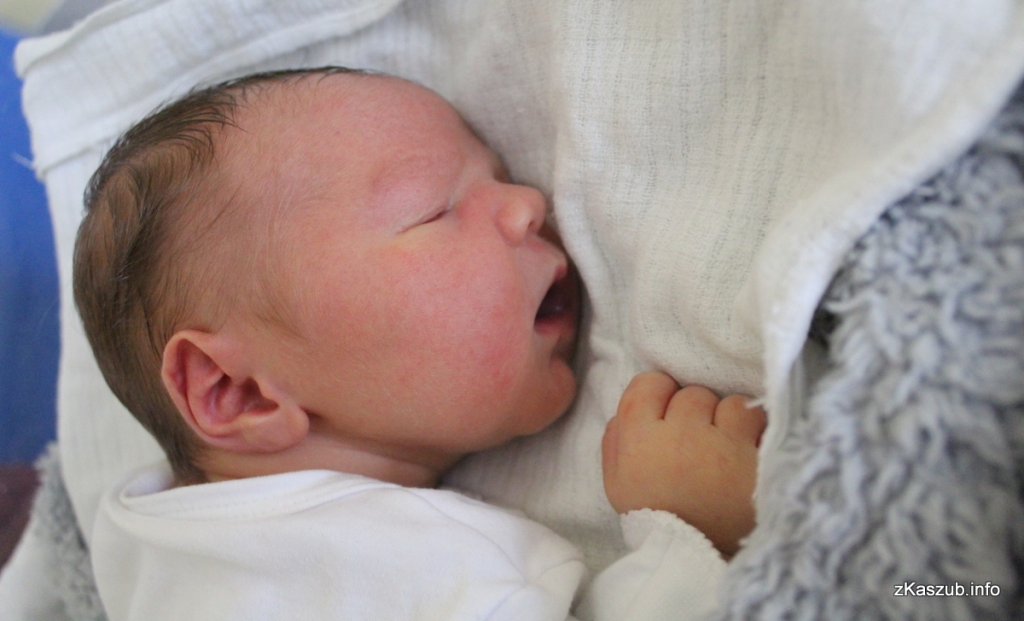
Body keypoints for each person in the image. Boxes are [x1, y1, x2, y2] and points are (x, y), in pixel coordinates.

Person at [73, 67, 766, 621]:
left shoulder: (143, 543)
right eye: (433, 210)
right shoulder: (388, 573)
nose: (527, 203)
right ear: (239, 391)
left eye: (498, 174)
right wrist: (695, 537)